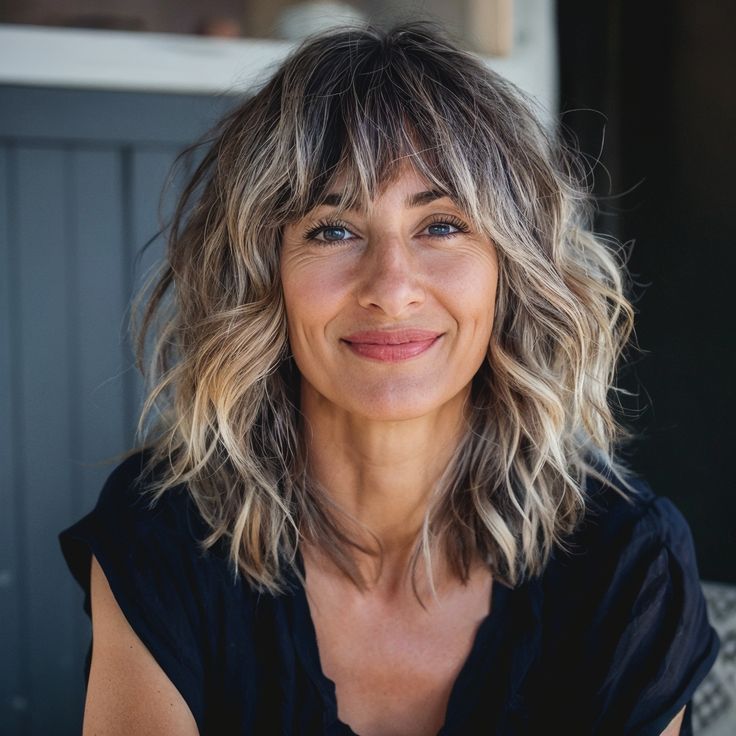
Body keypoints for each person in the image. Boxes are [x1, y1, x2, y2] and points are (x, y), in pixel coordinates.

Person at [59, 21, 719, 736]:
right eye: (333, 229)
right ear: (264, 276)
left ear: (511, 270)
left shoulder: (627, 561)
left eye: (440, 225)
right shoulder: (164, 534)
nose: (392, 287)